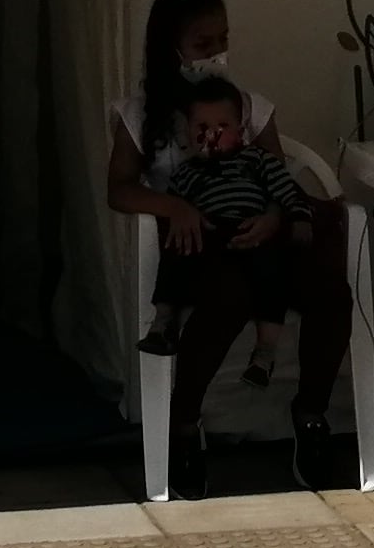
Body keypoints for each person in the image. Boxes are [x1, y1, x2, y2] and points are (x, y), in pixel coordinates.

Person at [105, 0, 350, 485]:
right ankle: (183, 422)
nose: (216, 53)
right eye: (203, 43)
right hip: (197, 249)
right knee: (230, 297)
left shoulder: (248, 108)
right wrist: (174, 206)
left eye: (223, 40)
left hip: (262, 242)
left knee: (331, 293)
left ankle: (310, 414)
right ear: (170, 47)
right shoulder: (140, 116)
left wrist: (274, 217)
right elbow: (120, 189)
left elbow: (277, 176)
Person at [135, 76, 315, 386]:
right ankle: (163, 324)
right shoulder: (187, 173)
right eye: (202, 127)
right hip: (210, 234)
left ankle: (265, 353)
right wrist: (179, 217)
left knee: (274, 273)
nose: (211, 135)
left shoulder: (256, 160)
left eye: (222, 126)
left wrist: (300, 219)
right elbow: (176, 207)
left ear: (240, 130)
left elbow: (286, 190)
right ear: (188, 133)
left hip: (252, 230)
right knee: (176, 253)